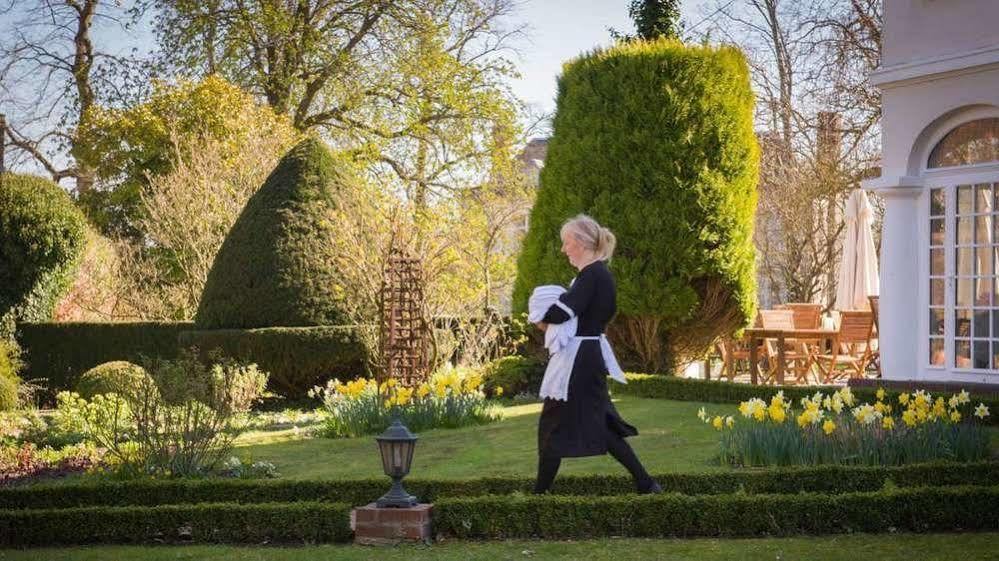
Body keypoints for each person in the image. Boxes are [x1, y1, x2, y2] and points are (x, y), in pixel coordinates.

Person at [532, 214, 661, 495]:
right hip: (586, 355)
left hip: (579, 359)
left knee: (553, 424)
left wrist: (541, 316)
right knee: (598, 423)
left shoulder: (591, 276)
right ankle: (646, 484)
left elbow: (561, 311)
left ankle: (538, 496)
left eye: (567, 243)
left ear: (580, 243)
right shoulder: (596, 275)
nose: (564, 249)